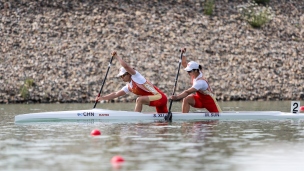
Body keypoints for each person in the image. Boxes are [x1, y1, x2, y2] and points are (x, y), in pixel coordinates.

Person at [96, 51, 168, 113]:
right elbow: (115, 94)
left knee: (139, 100)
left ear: (128, 73)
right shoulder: (129, 87)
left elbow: (126, 66)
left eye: (123, 76)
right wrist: (102, 98)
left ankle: (136, 120)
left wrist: (116, 56)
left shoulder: (137, 77)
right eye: (120, 77)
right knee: (162, 123)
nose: (122, 78)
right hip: (157, 101)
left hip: (160, 98)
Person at [170, 48, 222, 113]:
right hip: (199, 100)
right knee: (186, 99)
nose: (188, 73)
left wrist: (177, 97)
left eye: (189, 71)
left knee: (218, 117)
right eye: (187, 71)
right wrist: (183, 53)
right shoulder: (195, 73)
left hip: (209, 101)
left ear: (196, 70)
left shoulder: (200, 82)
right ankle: (184, 119)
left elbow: (187, 92)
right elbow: (183, 63)